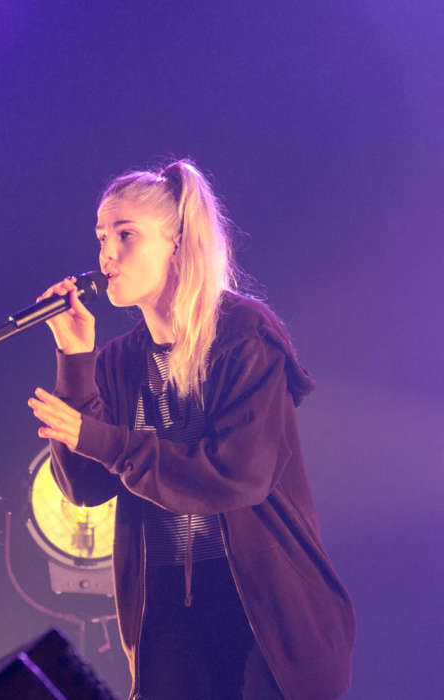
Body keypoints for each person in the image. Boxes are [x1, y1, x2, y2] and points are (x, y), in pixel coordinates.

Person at [27, 159, 354, 700]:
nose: (106, 255)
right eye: (101, 238)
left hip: (260, 603)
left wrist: (102, 439)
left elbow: (236, 476)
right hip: (167, 608)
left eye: (125, 236)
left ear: (176, 242)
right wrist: (74, 358)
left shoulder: (242, 333)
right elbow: (86, 487)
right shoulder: (116, 361)